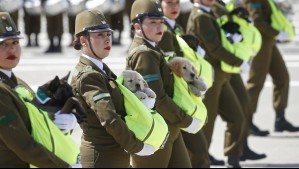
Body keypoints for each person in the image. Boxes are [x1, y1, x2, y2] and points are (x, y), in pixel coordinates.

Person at [70, 9, 156, 168]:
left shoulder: (100, 68)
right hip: (103, 157)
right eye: (99, 35)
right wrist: (136, 146)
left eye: (108, 34)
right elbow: (108, 117)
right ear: (83, 40)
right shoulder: (89, 76)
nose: (107, 39)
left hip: (114, 154)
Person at [0, 12, 79, 168]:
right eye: (3, 44)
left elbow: (34, 122)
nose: (11, 50)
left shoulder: (17, 83)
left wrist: (57, 121)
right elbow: (23, 144)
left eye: (15, 42)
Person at [126, 0, 198, 167]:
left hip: (168, 127)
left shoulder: (152, 48)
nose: (160, 27)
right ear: (137, 27)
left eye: (161, 22)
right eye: (153, 22)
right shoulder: (144, 54)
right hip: (154, 130)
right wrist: (186, 120)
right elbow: (157, 97)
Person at [186, 0, 252, 167]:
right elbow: (214, 48)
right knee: (207, 123)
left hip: (220, 74)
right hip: (210, 75)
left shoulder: (210, 12)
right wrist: (238, 62)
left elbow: (219, 39)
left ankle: (233, 157)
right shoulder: (201, 17)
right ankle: (201, 161)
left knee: (237, 116)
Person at [210, 0, 267, 162]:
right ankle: (203, 154)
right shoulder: (203, 8)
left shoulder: (220, 3)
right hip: (218, 64)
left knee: (243, 104)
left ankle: (240, 148)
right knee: (210, 114)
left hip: (230, 60)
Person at [157, 0, 210, 167]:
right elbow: (171, 67)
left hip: (185, 92)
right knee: (198, 150)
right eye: (169, 3)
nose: (174, 7)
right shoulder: (164, 32)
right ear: (160, 6)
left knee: (195, 150)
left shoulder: (176, 27)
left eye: (177, 3)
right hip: (179, 98)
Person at [243, 0, 299, 134]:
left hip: (269, 41)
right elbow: (257, 20)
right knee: (256, 82)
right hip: (260, 42)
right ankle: (247, 122)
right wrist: (276, 32)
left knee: (282, 77)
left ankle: (280, 119)